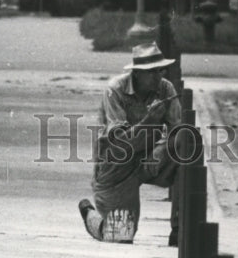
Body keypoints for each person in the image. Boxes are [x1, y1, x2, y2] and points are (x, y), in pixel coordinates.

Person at [78, 42, 187, 245]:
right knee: (120, 234)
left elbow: (178, 130)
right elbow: (119, 142)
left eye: (160, 70)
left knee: (188, 147)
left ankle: (179, 228)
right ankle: (91, 217)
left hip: (149, 156)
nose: (158, 76)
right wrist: (148, 121)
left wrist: (162, 149)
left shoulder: (165, 88)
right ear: (136, 73)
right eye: (151, 72)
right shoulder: (115, 91)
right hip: (117, 165)